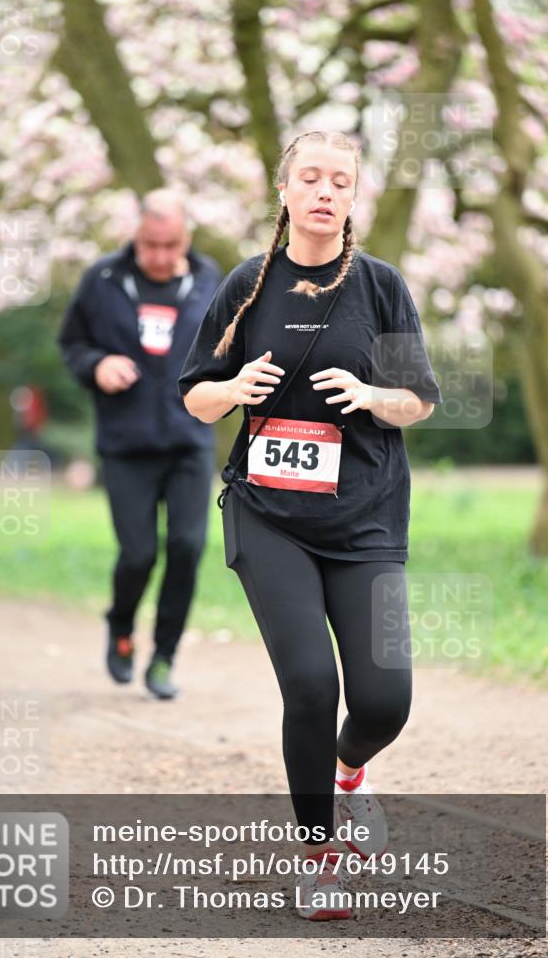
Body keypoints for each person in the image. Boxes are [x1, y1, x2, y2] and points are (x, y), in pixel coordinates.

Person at [179, 131, 442, 919]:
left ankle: (350, 773)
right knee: (308, 683)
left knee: (383, 701)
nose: (325, 192)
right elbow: (194, 395)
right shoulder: (244, 287)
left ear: (352, 198)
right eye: (311, 178)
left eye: (341, 181)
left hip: (364, 518)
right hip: (268, 516)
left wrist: (371, 395)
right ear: (285, 191)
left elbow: (419, 398)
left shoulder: (380, 285)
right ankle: (320, 856)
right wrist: (234, 387)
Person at [59, 190, 222, 699]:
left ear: (185, 238)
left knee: (188, 547)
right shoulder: (103, 279)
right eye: (150, 244)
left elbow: (230, 344)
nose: (159, 255)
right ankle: (121, 626)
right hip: (126, 444)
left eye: (169, 245)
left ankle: (165, 657)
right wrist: (96, 365)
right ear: (136, 235)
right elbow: (72, 343)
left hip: (189, 439)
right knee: (137, 554)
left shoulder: (211, 280)